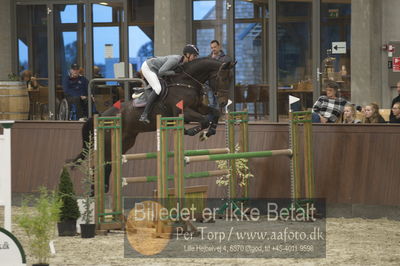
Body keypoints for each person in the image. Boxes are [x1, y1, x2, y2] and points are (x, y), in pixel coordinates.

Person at [138, 44, 200, 123]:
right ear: (187, 54)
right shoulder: (175, 60)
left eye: (196, 56)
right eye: (194, 56)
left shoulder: (182, 63)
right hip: (148, 67)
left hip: (156, 69)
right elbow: (161, 72)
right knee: (158, 88)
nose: (195, 58)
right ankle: (144, 115)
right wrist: (174, 72)